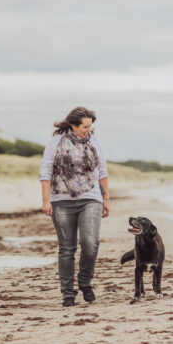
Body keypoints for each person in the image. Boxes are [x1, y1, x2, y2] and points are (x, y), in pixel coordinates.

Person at [39, 106, 110, 306]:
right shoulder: (56, 142)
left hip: (91, 198)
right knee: (66, 248)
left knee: (90, 243)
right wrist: (46, 200)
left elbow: (102, 172)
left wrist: (107, 199)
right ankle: (68, 293)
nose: (89, 130)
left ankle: (85, 282)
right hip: (61, 199)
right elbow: (45, 172)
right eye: (85, 126)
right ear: (73, 125)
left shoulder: (94, 142)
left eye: (90, 126)